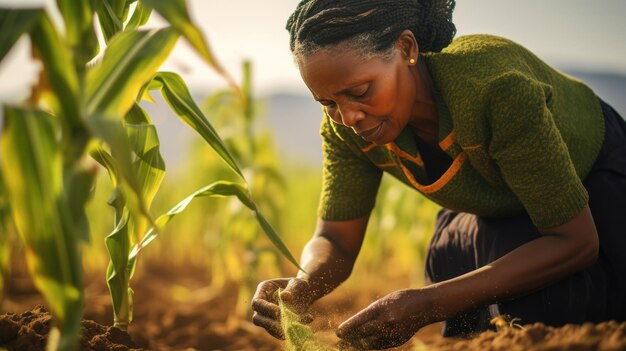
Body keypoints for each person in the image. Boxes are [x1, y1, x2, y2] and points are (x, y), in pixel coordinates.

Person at [251, 0, 626, 349]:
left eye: (361, 91)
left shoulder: (494, 89)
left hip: (594, 187)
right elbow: (336, 237)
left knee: (542, 298)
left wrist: (427, 304)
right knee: (451, 253)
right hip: (500, 205)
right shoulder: (345, 131)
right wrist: (302, 285)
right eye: (328, 103)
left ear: (407, 49)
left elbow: (574, 240)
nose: (348, 118)